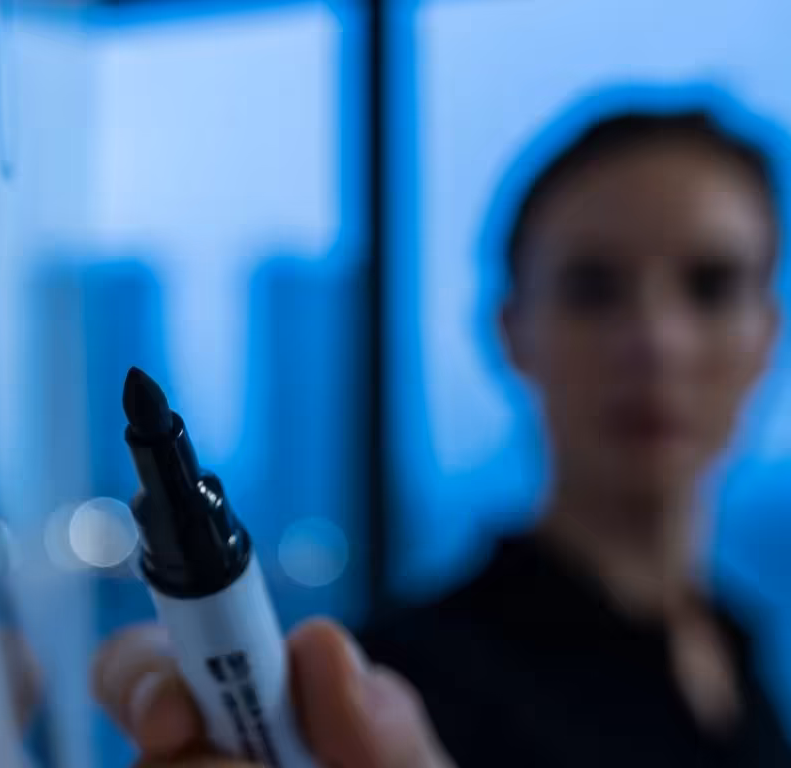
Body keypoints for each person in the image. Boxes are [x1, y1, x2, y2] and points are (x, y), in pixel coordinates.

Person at [93, 107, 791, 768]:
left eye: (712, 285)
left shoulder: (735, 645)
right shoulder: (400, 688)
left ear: (769, 333)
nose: (656, 341)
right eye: (594, 288)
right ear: (512, 331)